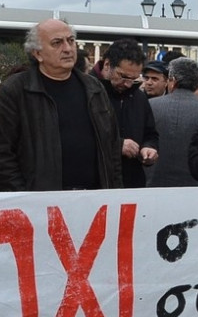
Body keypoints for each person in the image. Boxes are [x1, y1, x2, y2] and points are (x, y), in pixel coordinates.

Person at [0, 19, 122, 190]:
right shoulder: (16, 90)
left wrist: (114, 193)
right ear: (37, 53)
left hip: (94, 202)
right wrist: (24, 198)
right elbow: (4, 154)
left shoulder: (94, 88)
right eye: (57, 43)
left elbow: (112, 147)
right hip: (41, 204)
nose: (67, 48)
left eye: (70, 41)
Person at [101, 38, 159, 188]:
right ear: (107, 65)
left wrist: (149, 148)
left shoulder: (139, 97)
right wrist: (117, 145)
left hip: (132, 183)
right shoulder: (89, 93)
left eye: (134, 79)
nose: (127, 84)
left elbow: (150, 133)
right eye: (123, 76)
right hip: (98, 185)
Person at [148, 57, 198, 187]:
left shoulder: (151, 105)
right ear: (196, 83)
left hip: (155, 184)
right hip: (195, 185)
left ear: (172, 81)